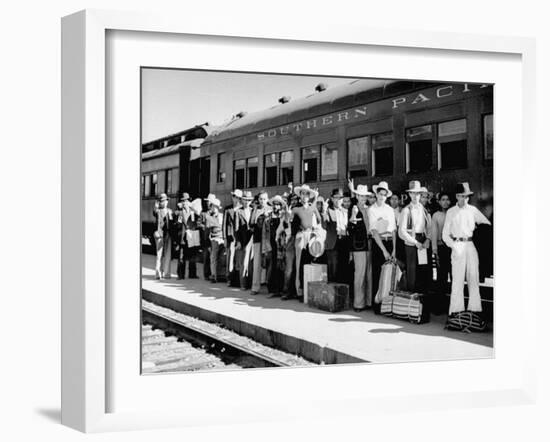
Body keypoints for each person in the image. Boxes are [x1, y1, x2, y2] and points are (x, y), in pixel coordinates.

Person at [442, 182, 491, 316]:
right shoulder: (451, 212)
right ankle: (456, 312)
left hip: (470, 246)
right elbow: (445, 235)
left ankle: (475, 311)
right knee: (457, 280)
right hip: (457, 245)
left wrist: (478, 233)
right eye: (462, 196)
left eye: (467, 196)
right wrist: (454, 246)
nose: (465, 199)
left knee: (473, 278)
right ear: (457, 196)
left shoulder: (473, 210)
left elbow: (487, 224)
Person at [368, 181, 397, 313]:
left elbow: (393, 230)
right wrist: (384, 251)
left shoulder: (390, 210)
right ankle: (377, 305)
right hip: (379, 244)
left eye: (385, 195)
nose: (382, 197)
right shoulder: (372, 209)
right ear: (376, 194)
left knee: (390, 274)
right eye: (380, 194)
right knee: (377, 274)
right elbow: (374, 232)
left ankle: (388, 304)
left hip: (390, 242)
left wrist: (394, 249)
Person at [398, 181, 432, 294]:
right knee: (412, 271)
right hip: (411, 243)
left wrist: (428, 239)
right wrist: (415, 242)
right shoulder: (406, 210)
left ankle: (422, 301)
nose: (415, 196)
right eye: (413, 193)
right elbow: (401, 232)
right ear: (409, 195)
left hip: (422, 241)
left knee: (422, 270)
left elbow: (429, 227)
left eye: (418, 194)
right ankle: (412, 300)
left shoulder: (424, 209)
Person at [291, 184, 322, 300]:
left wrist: (315, 230)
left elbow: (319, 220)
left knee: (309, 262)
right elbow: (291, 223)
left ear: (309, 196)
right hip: (300, 236)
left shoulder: (312, 207)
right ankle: (299, 290)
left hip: (311, 236)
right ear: (300, 195)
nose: (305, 196)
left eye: (307, 194)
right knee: (299, 264)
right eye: (303, 193)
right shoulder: (295, 209)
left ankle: (308, 290)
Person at [348, 184, 373, 311]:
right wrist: (353, 217)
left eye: (365, 196)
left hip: (370, 243)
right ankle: (358, 303)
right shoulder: (353, 209)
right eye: (361, 195)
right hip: (358, 245)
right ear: (357, 196)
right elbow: (349, 229)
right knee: (360, 274)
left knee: (369, 274)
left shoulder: (369, 209)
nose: (363, 198)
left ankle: (368, 301)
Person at [322, 188, 350, 283]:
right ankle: (332, 294)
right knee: (333, 270)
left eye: (340, 197)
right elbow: (324, 225)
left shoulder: (345, 211)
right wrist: (324, 212)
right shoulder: (328, 210)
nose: (338, 200)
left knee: (343, 269)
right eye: (336, 197)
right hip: (332, 243)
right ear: (332, 198)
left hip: (344, 242)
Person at [262, 195, 285, 297]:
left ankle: (280, 289)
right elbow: (264, 234)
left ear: (280, 206)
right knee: (271, 267)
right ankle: (272, 290)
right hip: (270, 245)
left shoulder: (283, 217)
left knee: (280, 267)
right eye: (274, 205)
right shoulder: (268, 218)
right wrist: (265, 248)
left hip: (280, 245)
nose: (275, 207)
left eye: (278, 205)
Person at [174, 192, 200, 279]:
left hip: (191, 236)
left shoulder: (193, 212)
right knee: (181, 256)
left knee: (192, 256)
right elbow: (178, 224)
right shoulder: (179, 212)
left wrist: (192, 207)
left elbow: (198, 216)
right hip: (183, 237)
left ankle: (192, 274)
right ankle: (181, 275)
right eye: (183, 201)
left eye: (187, 201)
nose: (185, 203)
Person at [431, 192, 452, 297]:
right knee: (442, 275)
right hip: (441, 247)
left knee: (454, 275)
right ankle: (440, 303)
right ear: (439, 202)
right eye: (443, 199)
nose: (445, 202)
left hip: (453, 248)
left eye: (447, 199)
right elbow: (434, 233)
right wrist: (435, 250)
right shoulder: (436, 215)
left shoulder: (453, 213)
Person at [250, 191, 271, 295]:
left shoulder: (271, 209)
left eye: (264, 199)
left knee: (269, 263)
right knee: (257, 263)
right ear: (258, 200)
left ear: (267, 199)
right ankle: (255, 287)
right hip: (258, 239)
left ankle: (269, 286)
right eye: (261, 199)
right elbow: (251, 224)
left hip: (269, 240)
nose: (262, 201)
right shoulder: (255, 210)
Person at [234, 190, 254, 290]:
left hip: (252, 239)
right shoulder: (238, 212)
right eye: (245, 200)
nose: (247, 202)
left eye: (248, 200)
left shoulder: (253, 210)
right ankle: (243, 284)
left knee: (250, 262)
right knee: (243, 262)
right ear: (242, 201)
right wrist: (238, 241)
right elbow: (236, 228)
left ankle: (250, 283)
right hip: (242, 239)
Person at [223, 189, 242, 287]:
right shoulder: (228, 209)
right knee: (230, 259)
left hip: (239, 237)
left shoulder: (242, 209)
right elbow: (224, 225)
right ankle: (229, 278)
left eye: (237, 197)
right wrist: (225, 238)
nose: (235, 199)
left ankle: (238, 280)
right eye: (234, 196)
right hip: (230, 237)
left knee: (238, 259)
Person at [152, 193, 174, 280]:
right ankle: (158, 273)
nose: (165, 202)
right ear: (160, 202)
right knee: (159, 254)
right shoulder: (157, 211)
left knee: (168, 254)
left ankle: (167, 274)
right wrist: (156, 205)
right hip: (160, 234)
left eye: (165, 201)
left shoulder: (170, 211)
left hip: (168, 234)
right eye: (162, 201)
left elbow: (172, 222)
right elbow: (154, 212)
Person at [204, 197, 225, 283]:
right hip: (214, 238)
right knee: (213, 257)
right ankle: (214, 275)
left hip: (222, 238)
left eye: (216, 207)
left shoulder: (222, 216)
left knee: (221, 258)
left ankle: (220, 275)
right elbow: (207, 230)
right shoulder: (209, 217)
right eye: (213, 206)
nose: (214, 208)